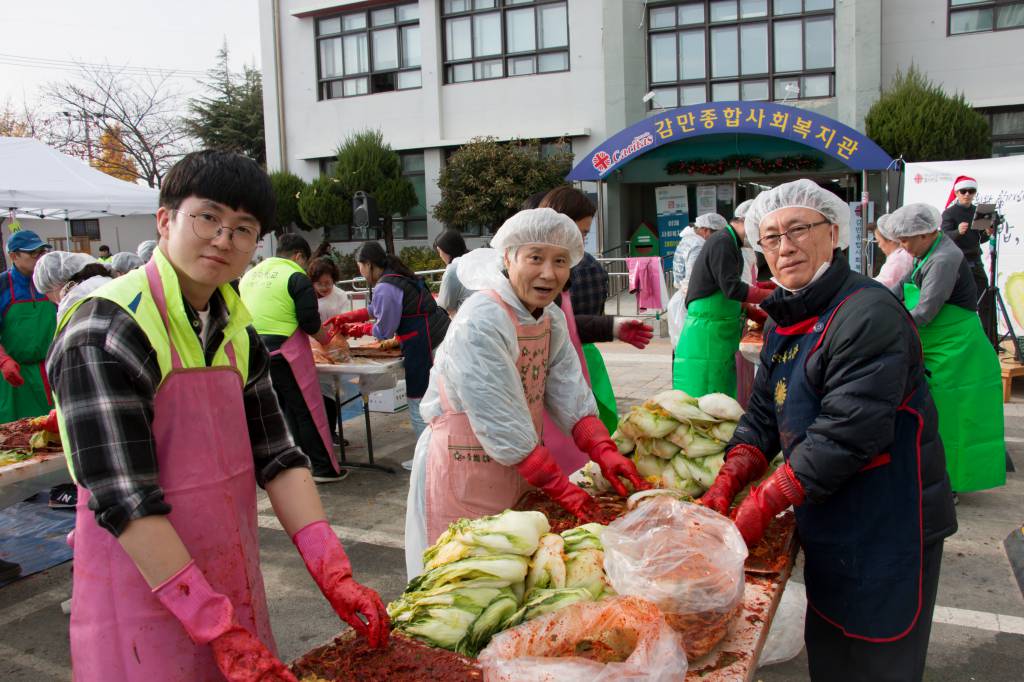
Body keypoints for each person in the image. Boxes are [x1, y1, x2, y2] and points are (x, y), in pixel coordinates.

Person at [48, 150, 388, 681]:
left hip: (229, 576)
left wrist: (333, 571)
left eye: (243, 227)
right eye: (207, 217)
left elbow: (278, 454)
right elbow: (125, 497)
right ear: (166, 221)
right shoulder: (107, 329)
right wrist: (214, 625)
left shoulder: (236, 330)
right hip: (143, 588)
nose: (223, 239)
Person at [700, 180, 957, 682]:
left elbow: (846, 434)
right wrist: (730, 476)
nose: (785, 246)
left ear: (833, 232)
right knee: (832, 648)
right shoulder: (787, 315)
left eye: (798, 229)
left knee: (876, 658)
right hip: (829, 510)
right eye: (770, 237)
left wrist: (762, 502)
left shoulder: (866, 312)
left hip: (890, 518)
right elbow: (762, 414)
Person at [403, 208, 648, 578]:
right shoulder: (482, 318)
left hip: (519, 466)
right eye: (536, 258)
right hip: (463, 470)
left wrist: (602, 449)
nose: (549, 273)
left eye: (561, 261)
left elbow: (569, 388)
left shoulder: (549, 317)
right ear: (508, 257)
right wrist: (561, 488)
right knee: (468, 578)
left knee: (515, 571)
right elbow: (501, 421)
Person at [890, 202, 1005, 495]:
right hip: (936, 346)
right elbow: (902, 287)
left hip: (956, 350)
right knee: (936, 417)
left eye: (907, 240)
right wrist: (873, 300)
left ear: (927, 233)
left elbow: (925, 312)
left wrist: (885, 325)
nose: (903, 247)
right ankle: (937, 478)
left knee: (952, 421)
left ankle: (948, 486)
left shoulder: (942, 259)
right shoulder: (925, 252)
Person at [538, 186, 652, 441]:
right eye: (577, 233)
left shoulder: (567, 268)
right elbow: (544, 326)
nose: (579, 242)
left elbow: (560, 324)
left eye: (585, 235)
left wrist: (612, 327)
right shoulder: (524, 281)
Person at [325, 242, 450, 471]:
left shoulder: (385, 286)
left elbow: (384, 330)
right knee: (434, 400)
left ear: (369, 264)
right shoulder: (397, 276)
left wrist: (356, 329)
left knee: (419, 402)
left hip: (423, 343)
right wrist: (350, 316)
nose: (360, 272)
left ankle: (428, 461)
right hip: (436, 336)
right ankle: (438, 455)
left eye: (360, 266)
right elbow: (375, 309)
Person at [240, 234, 345, 484]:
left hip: (253, 353)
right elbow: (310, 323)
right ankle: (321, 467)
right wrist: (330, 342)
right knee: (306, 409)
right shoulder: (295, 277)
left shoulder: (250, 274)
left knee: (279, 410)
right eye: (304, 261)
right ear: (298, 255)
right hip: (284, 353)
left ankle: (292, 464)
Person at [674, 210, 771, 397]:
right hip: (707, 333)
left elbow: (724, 286)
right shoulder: (723, 242)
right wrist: (772, 296)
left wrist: (750, 310)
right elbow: (732, 288)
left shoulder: (732, 243)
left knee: (721, 399)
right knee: (704, 399)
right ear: (747, 221)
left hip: (719, 331)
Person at [0, 230, 55, 422]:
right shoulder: (2, 286)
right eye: (33, 253)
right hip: (15, 377)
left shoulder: (51, 282)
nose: (39, 258)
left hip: (50, 370)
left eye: (41, 252)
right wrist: (3, 360)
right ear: (13, 256)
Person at [308, 255, 352, 445]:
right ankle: (316, 434)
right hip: (310, 349)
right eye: (320, 284)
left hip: (334, 348)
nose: (325, 287)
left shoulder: (341, 296)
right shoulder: (305, 295)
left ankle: (331, 432)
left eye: (329, 283)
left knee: (330, 390)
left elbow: (347, 323)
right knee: (313, 392)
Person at [33, 251, 113, 323]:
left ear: (56, 284)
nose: (51, 301)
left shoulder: (73, 300)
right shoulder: (107, 281)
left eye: (47, 293)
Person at [872, 213, 914, 288]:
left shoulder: (898, 259)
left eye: (879, 241)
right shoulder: (903, 255)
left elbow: (882, 285)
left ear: (890, 239)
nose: (879, 246)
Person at [434, 229, 470, 314]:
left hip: (468, 320)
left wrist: (434, 299)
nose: (440, 255)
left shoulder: (453, 269)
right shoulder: (473, 259)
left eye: (439, 251)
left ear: (446, 250)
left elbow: (446, 305)